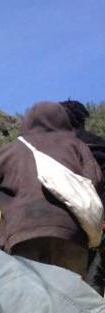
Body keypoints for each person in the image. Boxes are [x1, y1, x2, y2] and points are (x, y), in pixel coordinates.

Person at [0, 101, 104, 275]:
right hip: (72, 237)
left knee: (27, 298)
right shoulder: (77, 146)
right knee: (70, 298)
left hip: (23, 237)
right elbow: (96, 181)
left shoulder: (15, 148)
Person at [60, 100, 105, 292]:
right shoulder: (101, 145)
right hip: (100, 221)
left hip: (67, 225)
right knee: (96, 281)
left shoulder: (57, 150)